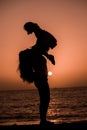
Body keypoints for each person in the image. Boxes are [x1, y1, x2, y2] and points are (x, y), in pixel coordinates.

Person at [23, 22, 57, 125]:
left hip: (40, 77)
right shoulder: (37, 49)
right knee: (45, 98)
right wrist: (48, 56)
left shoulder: (38, 47)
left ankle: (43, 120)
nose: (49, 47)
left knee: (44, 98)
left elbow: (41, 49)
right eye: (49, 46)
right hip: (40, 78)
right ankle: (43, 121)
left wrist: (48, 56)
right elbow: (41, 48)